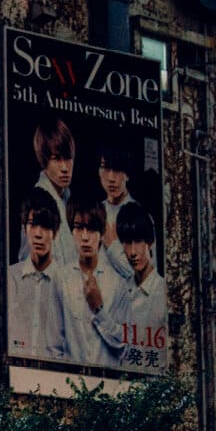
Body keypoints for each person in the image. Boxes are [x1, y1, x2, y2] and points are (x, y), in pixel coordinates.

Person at [96, 202, 166, 371]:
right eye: (127, 242)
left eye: (138, 241)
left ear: (150, 243)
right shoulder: (121, 289)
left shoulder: (162, 291)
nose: (133, 252)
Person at [55, 201, 120, 366]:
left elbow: (123, 343)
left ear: (102, 233)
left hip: (107, 379)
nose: (84, 237)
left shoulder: (117, 282)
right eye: (78, 228)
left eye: (91, 229)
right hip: (69, 379)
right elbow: (53, 343)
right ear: (71, 231)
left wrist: (99, 310)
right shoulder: (61, 279)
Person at [8, 188, 66, 360]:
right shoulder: (9, 278)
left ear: (55, 232)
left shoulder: (68, 283)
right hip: (15, 373)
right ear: (24, 228)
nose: (38, 234)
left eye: (46, 226)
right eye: (33, 225)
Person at [15, 118, 78, 269]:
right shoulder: (37, 203)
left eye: (68, 158)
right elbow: (27, 264)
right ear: (44, 160)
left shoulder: (68, 199)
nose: (65, 168)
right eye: (56, 159)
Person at [96, 140, 143, 279]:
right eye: (105, 168)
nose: (111, 178)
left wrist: (112, 245)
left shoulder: (141, 216)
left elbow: (143, 276)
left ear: (127, 174)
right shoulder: (95, 212)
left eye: (117, 169)